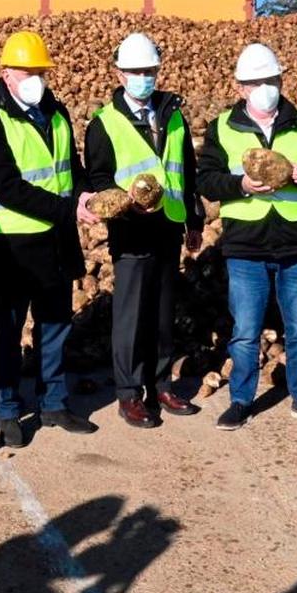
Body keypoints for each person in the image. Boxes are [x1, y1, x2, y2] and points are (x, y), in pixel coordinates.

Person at [197, 43, 297, 430]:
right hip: (246, 244)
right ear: (240, 87)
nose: (265, 87)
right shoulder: (222, 127)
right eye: (256, 82)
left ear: (281, 78)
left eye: (271, 79)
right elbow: (206, 180)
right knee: (244, 332)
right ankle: (241, 400)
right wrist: (240, 184)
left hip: (296, 241)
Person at [0, 30, 99, 448]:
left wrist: (83, 194)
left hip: (55, 242)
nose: (36, 78)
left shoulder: (56, 114)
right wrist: (67, 209)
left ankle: (54, 401)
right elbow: (7, 187)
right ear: (6, 74)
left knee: (55, 325)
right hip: (11, 246)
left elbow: (71, 169)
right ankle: (7, 408)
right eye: (28, 71)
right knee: (8, 332)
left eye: (41, 71)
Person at [84, 33, 204, 428]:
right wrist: (123, 202)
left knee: (163, 312)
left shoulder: (172, 114)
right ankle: (130, 393)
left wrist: (194, 219)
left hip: (168, 226)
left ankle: (162, 383)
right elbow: (99, 179)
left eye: (149, 70)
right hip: (132, 231)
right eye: (135, 71)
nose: (143, 77)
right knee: (132, 316)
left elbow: (186, 170)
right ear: (120, 74)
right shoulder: (105, 123)